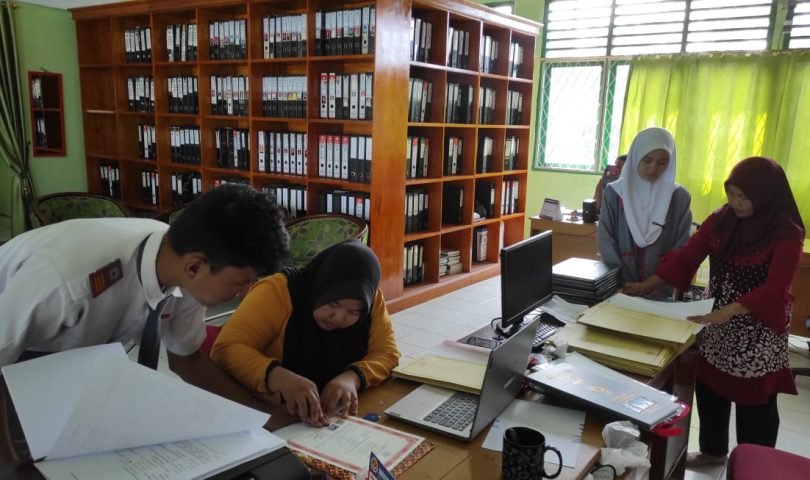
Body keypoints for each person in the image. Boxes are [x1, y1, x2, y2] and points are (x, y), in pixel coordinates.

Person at [0, 184, 289, 462]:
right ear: (195, 266)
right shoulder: (69, 283)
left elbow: (186, 360)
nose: (245, 293)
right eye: (241, 283)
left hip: (73, 363)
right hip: (17, 352)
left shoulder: (184, 270)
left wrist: (261, 417)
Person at [624, 157, 805, 467]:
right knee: (710, 388)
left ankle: (757, 463)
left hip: (757, 328)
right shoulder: (722, 219)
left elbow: (777, 286)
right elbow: (689, 254)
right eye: (731, 194)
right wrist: (648, 284)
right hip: (716, 317)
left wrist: (731, 310)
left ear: (764, 195)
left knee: (754, 402)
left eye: (743, 197)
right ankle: (713, 451)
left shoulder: (786, 232)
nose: (735, 202)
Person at [211, 240, 400, 427]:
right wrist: (277, 376)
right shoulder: (278, 290)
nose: (338, 318)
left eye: (353, 312)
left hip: (328, 414)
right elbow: (225, 349)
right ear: (320, 287)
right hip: (266, 412)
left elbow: (387, 353)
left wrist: (354, 377)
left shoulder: (370, 299)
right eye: (333, 304)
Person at [597, 127, 692, 296]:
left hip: (660, 288)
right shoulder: (615, 193)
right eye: (647, 160)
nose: (653, 168)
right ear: (635, 157)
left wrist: (657, 283)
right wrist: (619, 281)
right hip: (621, 286)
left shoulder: (679, 197)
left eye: (662, 162)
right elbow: (606, 239)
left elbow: (682, 246)